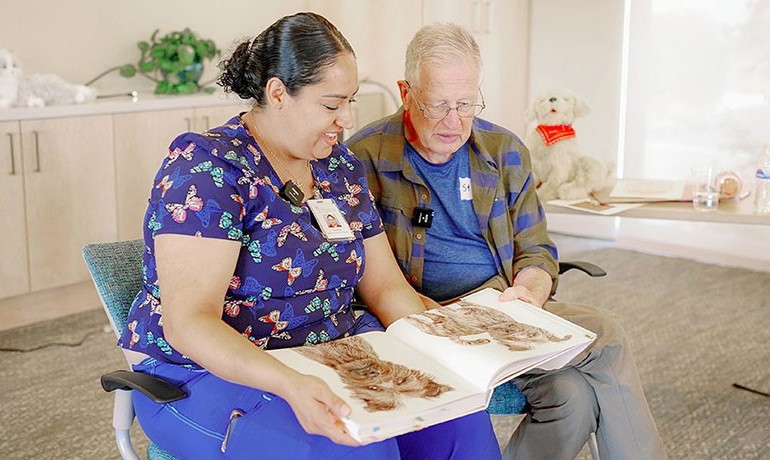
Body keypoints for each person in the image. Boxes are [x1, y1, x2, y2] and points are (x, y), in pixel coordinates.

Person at [117, 13, 501, 460]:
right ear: (278, 93)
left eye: (350, 102)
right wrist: (291, 383)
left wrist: (449, 345)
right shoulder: (208, 167)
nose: (346, 119)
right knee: (358, 449)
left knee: (461, 421)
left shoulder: (338, 167)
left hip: (332, 355)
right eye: (332, 105)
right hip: (205, 375)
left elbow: (385, 287)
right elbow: (189, 323)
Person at [346, 23, 668, 460]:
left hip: (502, 310)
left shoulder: (504, 150)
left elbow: (536, 248)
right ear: (406, 92)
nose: (454, 121)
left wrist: (529, 293)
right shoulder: (364, 156)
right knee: (597, 350)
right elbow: (358, 271)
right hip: (423, 319)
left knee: (572, 394)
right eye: (438, 104)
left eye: (466, 104)